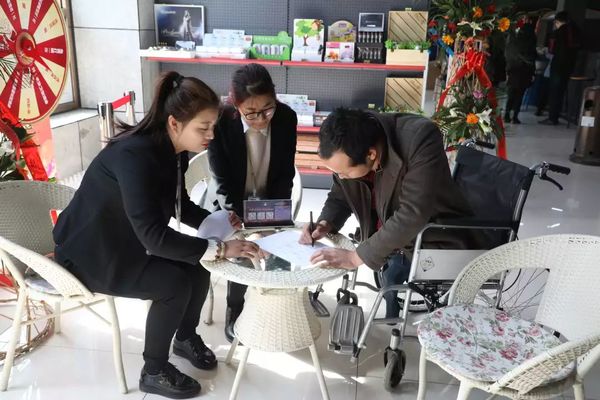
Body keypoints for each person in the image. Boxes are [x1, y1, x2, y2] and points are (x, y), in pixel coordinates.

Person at [53, 71, 260, 399]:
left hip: (124, 242)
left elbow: (179, 204)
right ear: (175, 122)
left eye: (213, 126)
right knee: (173, 285)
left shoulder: (170, 149)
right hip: (90, 255)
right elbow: (154, 237)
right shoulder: (134, 156)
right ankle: (154, 370)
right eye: (203, 127)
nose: (210, 135)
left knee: (196, 265)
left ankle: (185, 337)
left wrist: (218, 220)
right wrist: (221, 248)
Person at [299, 108, 473, 318]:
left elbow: (412, 214)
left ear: (371, 154)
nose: (340, 177)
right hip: (391, 230)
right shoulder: (349, 142)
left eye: (344, 172)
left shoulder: (419, 137)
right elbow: (340, 196)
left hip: (433, 235)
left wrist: (356, 257)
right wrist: (325, 223)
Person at [203, 63, 297, 342]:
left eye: (268, 109)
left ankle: (276, 305)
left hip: (269, 199)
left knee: (281, 245)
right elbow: (221, 182)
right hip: (230, 203)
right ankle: (236, 309)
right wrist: (245, 225)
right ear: (236, 105)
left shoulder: (286, 117)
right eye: (251, 113)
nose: (261, 119)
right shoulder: (221, 122)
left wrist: (274, 219)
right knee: (245, 249)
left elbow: (285, 174)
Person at [539, 11, 581, 125]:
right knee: (561, 91)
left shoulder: (557, 33)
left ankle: (552, 118)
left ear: (557, 21)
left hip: (558, 66)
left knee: (554, 92)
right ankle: (556, 116)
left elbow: (551, 50)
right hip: (570, 65)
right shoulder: (576, 31)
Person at [504, 21, 537, 124]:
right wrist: (533, 73)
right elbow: (533, 59)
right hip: (525, 72)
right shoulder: (532, 42)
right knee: (520, 95)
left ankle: (506, 115)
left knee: (511, 94)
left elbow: (509, 56)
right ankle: (515, 117)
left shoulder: (515, 41)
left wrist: (507, 71)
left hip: (514, 70)